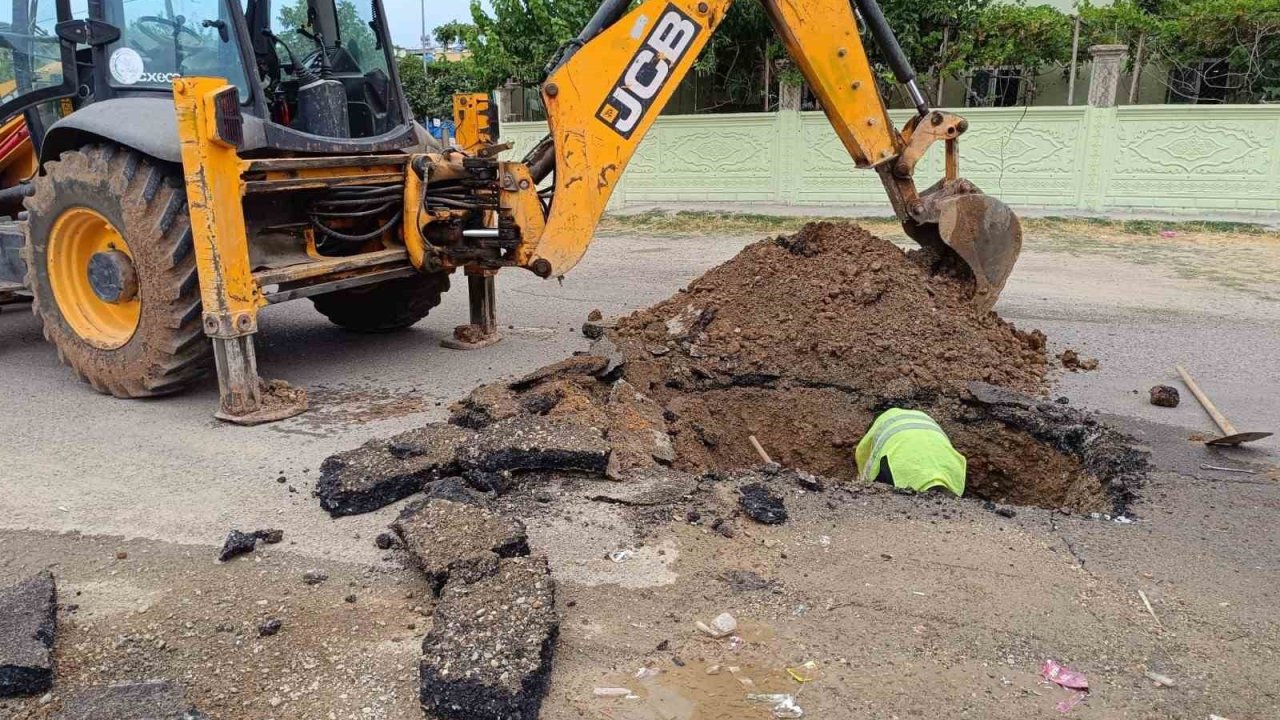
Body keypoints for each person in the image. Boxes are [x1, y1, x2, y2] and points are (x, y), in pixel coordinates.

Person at [854, 408, 966, 496]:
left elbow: (863, 452)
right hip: (950, 465)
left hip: (905, 462)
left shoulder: (881, 423)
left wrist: (864, 483)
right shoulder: (922, 417)